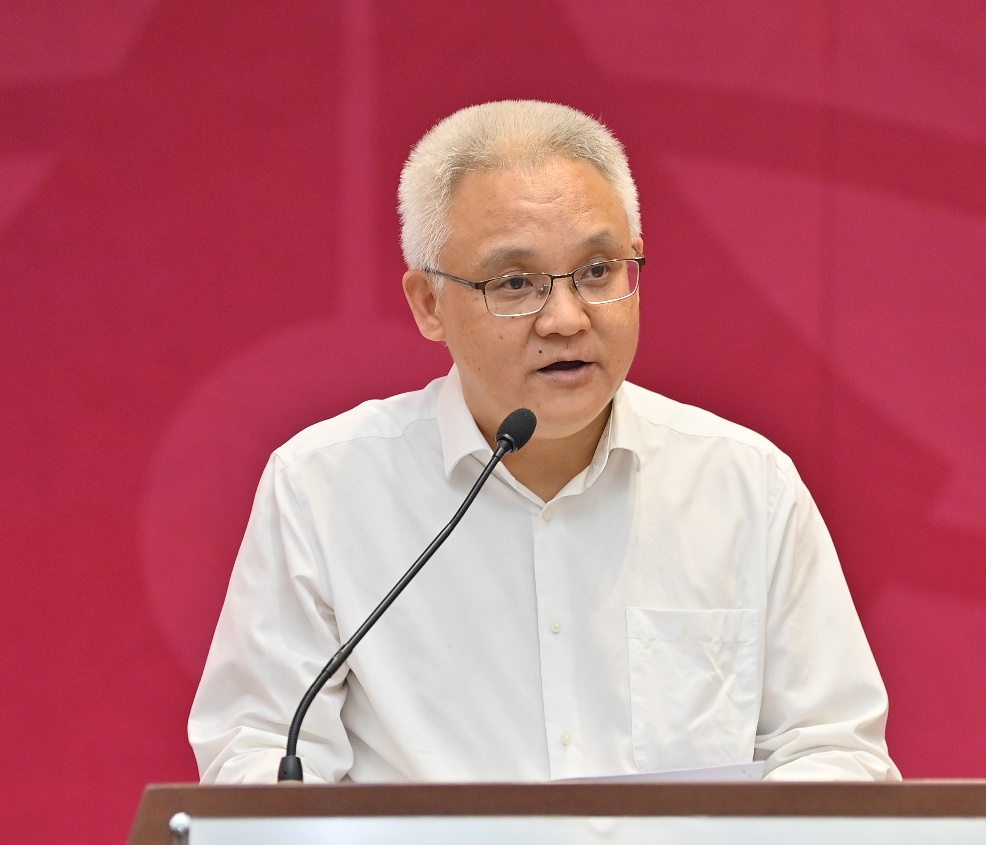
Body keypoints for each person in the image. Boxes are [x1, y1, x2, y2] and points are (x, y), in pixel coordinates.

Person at [189, 100, 899, 784]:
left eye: (597, 271)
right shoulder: (324, 488)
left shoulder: (746, 486)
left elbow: (833, 750)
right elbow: (261, 754)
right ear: (430, 304)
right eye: (515, 282)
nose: (566, 318)